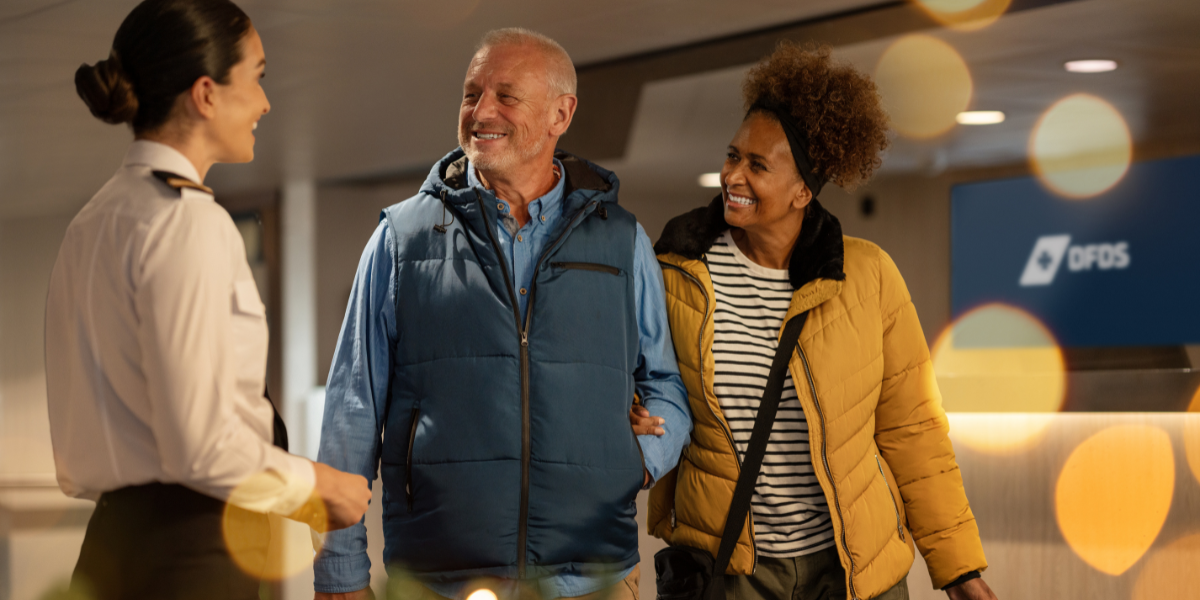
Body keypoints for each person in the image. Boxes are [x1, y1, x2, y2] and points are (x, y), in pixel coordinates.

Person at [313, 28, 691, 600]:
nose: (480, 111)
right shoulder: (400, 239)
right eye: (471, 94)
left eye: (506, 96)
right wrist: (339, 572)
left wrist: (634, 462)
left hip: (591, 580)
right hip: (440, 581)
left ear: (560, 114)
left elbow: (666, 387)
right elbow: (351, 412)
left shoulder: (623, 242)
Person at [643, 43, 999, 600]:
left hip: (856, 571)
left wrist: (960, 572)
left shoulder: (869, 275)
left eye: (758, 165)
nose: (733, 175)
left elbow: (913, 433)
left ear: (802, 192)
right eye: (733, 155)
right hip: (732, 570)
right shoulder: (673, 274)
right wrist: (632, 411)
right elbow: (640, 384)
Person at [44, 2, 371, 599]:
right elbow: (200, 444)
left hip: (111, 542)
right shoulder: (187, 222)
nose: (266, 103)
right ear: (206, 94)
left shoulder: (91, 223)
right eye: (258, 76)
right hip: (188, 551)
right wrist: (316, 485)